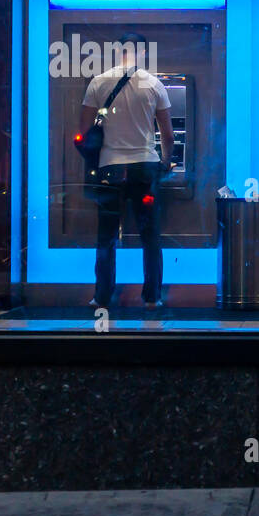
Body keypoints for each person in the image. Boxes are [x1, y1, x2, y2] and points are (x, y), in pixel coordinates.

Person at [79, 32, 175, 311]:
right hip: (144, 168)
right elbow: (167, 135)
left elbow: (84, 130)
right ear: (144, 53)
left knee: (106, 234)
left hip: (110, 168)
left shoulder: (98, 82)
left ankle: (101, 296)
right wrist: (166, 162)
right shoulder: (154, 84)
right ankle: (152, 297)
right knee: (150, 234)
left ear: (118, 51)